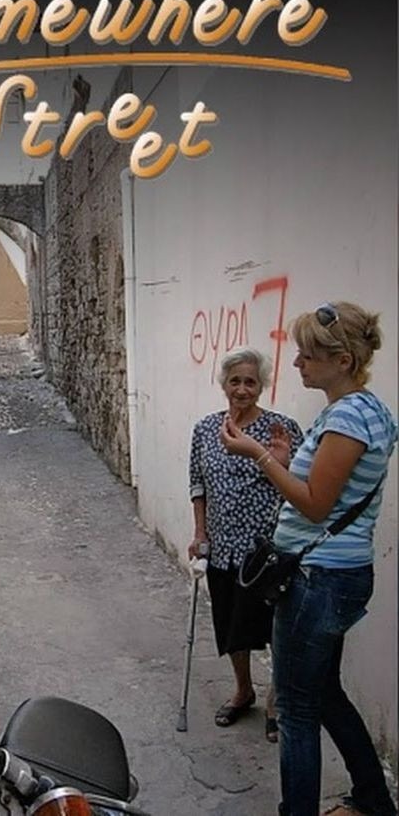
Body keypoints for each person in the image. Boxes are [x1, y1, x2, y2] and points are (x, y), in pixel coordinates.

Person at [220, 303, 398, 816]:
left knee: (297, 710)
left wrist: (258, 456)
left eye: (308, 355)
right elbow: (331, 491)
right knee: (324, 693)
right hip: (335, 574)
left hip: (318, 578)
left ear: (343, 361)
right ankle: (372, 798)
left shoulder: (348, 417)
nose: (296, 362)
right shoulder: (369, 410)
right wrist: (284, 460)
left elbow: (316, 504)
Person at [188, 347, 302, 741]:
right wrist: (200, 533)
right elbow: (198, 485)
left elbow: (300, 485)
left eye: (250, 382)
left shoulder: (280, 429)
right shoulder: (206, 429)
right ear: (224, 384)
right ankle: (243, 690)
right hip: (222, 549)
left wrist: (281, 463)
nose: (242, 389)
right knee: (232, 626)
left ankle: (275, 701)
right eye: (235, 381)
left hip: (266, 551)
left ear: (262, 385)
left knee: (274, 629)